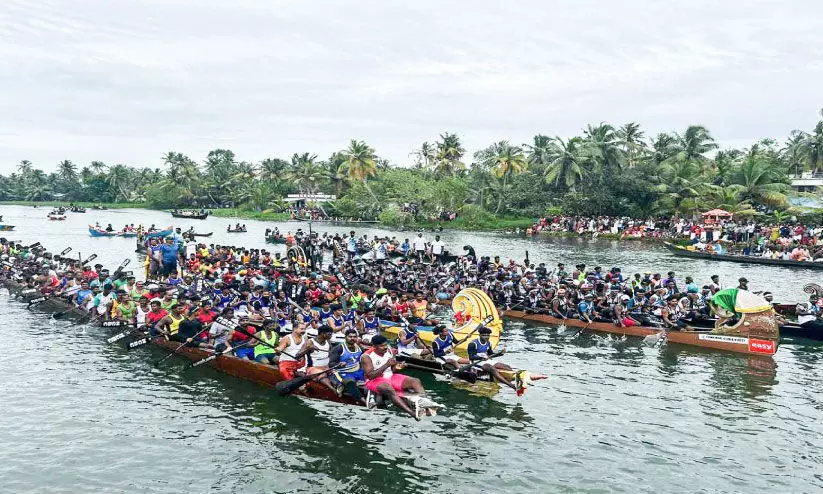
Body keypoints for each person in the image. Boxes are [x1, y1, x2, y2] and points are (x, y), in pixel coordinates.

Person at [360, 335, 426, 419]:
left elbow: (392, 369)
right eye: (382, 346)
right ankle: (411, 413)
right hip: (374, 381)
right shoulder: (366, 356)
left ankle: (424, 405)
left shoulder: (390, 350)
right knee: (388, 388)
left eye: (385, 345)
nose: (385, 347)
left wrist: (397, 367)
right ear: (374, 346)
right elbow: (370, 376)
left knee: (416, 381)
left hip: (390, 376)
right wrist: (386, 365)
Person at [329, 328, 366, 404]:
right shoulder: (339, 348)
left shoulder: (360, 348)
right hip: (341, 372)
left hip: (357, 371)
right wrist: (339, 365)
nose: (352, 338)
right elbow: (331, 364)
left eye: (354, 337)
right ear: (345, 337)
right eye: (350, 337)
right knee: (350, 382)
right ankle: (364, 401)